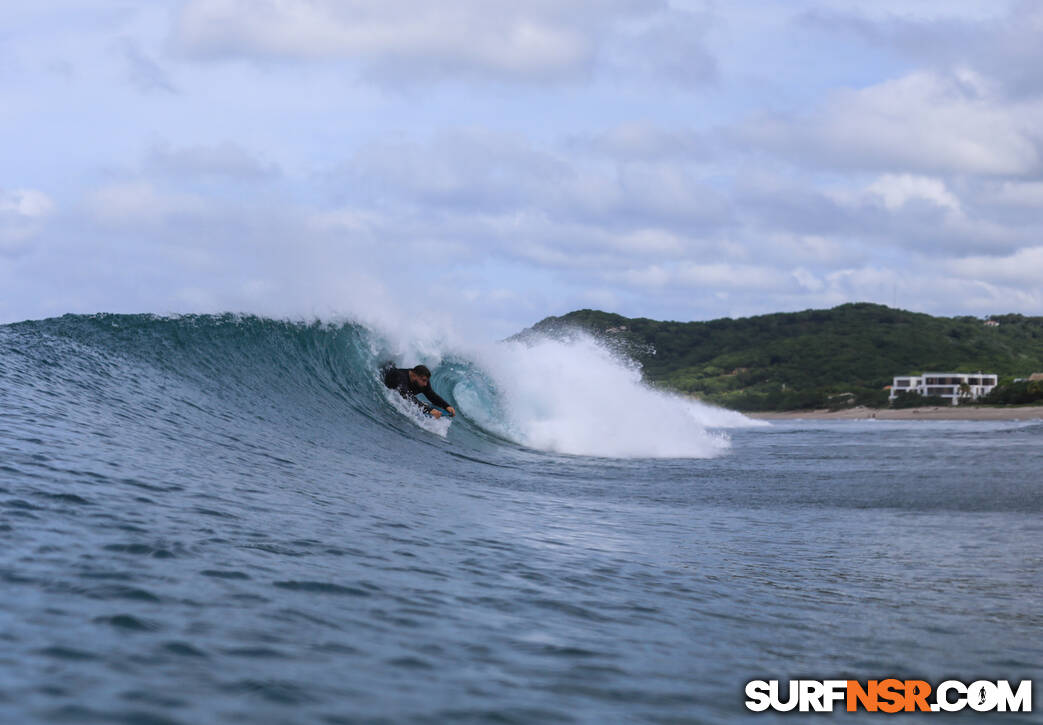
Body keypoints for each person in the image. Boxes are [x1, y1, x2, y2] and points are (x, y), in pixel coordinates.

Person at [382, 364, 456, 419]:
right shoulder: (400, 377)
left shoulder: (422, 382)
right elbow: (407, 396)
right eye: (423, 380)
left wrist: (446, 406)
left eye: (426, 381)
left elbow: (431, 395)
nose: (425, 384)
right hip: (386, 372)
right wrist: (428, 410)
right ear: (414, 375)